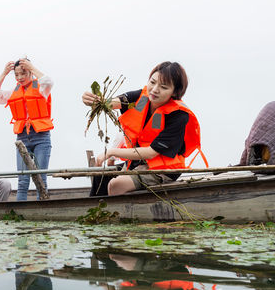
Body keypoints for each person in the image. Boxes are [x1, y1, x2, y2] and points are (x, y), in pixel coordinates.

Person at [81, 61, 206, 196]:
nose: (154, 90)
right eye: (152, 82)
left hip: (163, 169)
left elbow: (151, 152)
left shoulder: (179, 116)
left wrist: (111, 152)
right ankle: (95, 214)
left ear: (175, 92)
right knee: (102, 176)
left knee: (116, 185)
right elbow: (110, 103)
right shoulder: (141, 99)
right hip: (137, 163)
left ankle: (120, 216)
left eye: (163, 87)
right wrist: (95, 101)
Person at [0, 58, 54, 201]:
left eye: (23, 73)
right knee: (22, 180)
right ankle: (20, 212)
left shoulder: (42, 88)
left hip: (41, 137)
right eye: (16, 75)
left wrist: (31, 66)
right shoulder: (14, 91)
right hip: (22, 138)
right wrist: (4, 73)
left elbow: (48, 81)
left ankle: (42, 210)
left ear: (30, 71)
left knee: (41, 179)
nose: (20, 78)